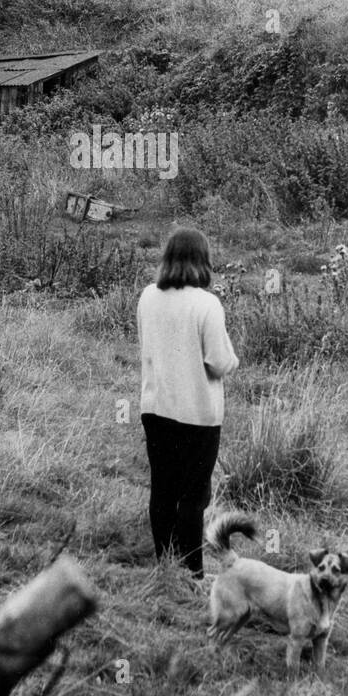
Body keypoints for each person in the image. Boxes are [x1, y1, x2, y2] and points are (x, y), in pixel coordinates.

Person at [136, 228, 239, 578]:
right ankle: (192, 573)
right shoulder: (207, 304)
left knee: (162, 490)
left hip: (155, 407)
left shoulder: (148, 296)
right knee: (194, 497)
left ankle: (165, 564)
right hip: (197, 413)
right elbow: (219, 362)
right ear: (203, 261)